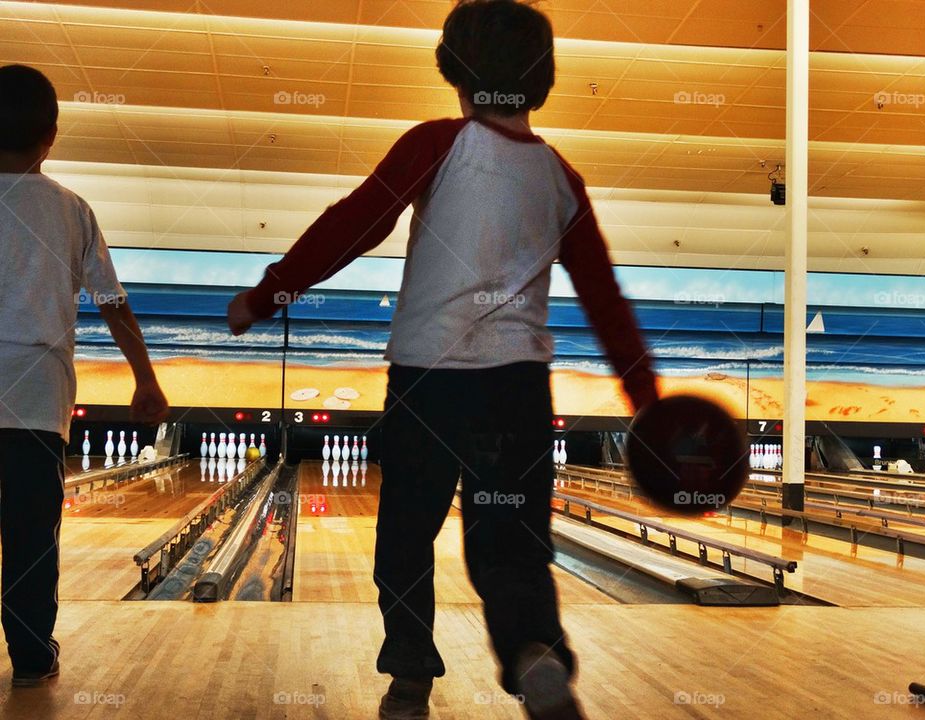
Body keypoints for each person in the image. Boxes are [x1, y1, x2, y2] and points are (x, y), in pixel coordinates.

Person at [228, 1, 657, 717]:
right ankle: (535, 652)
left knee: (405, 532)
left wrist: (270, 294)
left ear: (455, 73)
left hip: (428, 383)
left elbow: (355, 223)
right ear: (541, 79)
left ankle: (409, 673)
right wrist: (649, 401)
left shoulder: (436, 144)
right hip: (517, 391)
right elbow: (605, 298)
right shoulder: (561, 178)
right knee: (511, 543)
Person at [0, 64, 169, 687]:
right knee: (29, 540)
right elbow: (111, 302)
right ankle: (31, 657)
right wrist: (145, 379)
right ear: (52, 134)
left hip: (38, 400)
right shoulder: (73, 210)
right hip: (38, 403)